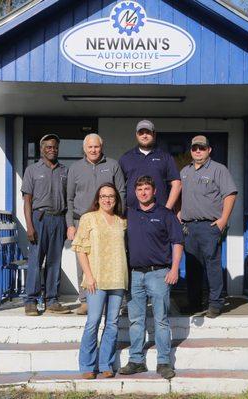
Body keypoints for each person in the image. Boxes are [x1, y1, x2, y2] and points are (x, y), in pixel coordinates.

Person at [118, 176, 184, 380]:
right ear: (135, 192)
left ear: (154, 191)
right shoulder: (129, 213)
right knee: (136, 320)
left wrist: (174, 270)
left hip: (159, 273)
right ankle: (136, 360)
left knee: (161, 320)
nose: (143, 193)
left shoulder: (165, 214)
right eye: (139, 189)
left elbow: (178, 242)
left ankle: (164, 361)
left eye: (147, 189)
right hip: (135, 274)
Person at [71, 183, 128, 379]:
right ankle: (87, 365)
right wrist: (89, 275)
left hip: (118, 278)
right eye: (103, 196)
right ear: (97, 198)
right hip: (96, 278)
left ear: (116, 199)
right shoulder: (89, 219)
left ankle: (106, 364)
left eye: (111, 196)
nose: (107, 199)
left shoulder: (121, 221)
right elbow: (80, 248)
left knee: (112, 323)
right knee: (93, 321)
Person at [66, 133, 126, 315]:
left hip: (109, 219)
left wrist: (119, 217)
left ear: (102, 147)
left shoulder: (113, 165)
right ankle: (85, 300)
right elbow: (68, 198)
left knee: (112, 258)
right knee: (82, 259)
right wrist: (70, 224)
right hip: (81, 219)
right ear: (84, 149)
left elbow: (121, 191)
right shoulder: (75, 168)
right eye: (90, 147)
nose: (93, 150)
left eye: (96, 147)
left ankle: (115, 299)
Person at [179, 135, 237, 318]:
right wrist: (178, 213)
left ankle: (215, 304)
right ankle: (194, 303)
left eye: (201, 148)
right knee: (192, 266)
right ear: (191, 150)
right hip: (189, 227)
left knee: (212, 266)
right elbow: (178, 193)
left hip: (209, 226)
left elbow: (230, 194)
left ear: (209, 150)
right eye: (195, 148)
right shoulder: (185, 172)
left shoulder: (218, 170)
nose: (198, 151)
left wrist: (223, 220)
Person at [21, 134, 71, 316]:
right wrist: (29, 226)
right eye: (48, 147)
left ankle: (52, 300)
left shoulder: (65, 171)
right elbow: (27, 201)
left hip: (58, 220)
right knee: (35, 261)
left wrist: (67, 225)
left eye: (55, 147)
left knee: (54, 262)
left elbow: (69, 200)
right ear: (42, 149)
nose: (52, 150)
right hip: (39, 219)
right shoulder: (32, 170)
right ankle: (31, 301)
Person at [119, 120, 181, 211]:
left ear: (154, 134)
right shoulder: (126, 158)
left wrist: (167, 209)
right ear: (136, 135)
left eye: (148, 132)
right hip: (132, 213)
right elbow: (118, 187)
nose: (144, 136)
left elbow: (177, 184)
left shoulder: (165, 157)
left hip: (159, 213)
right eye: (141, 133)